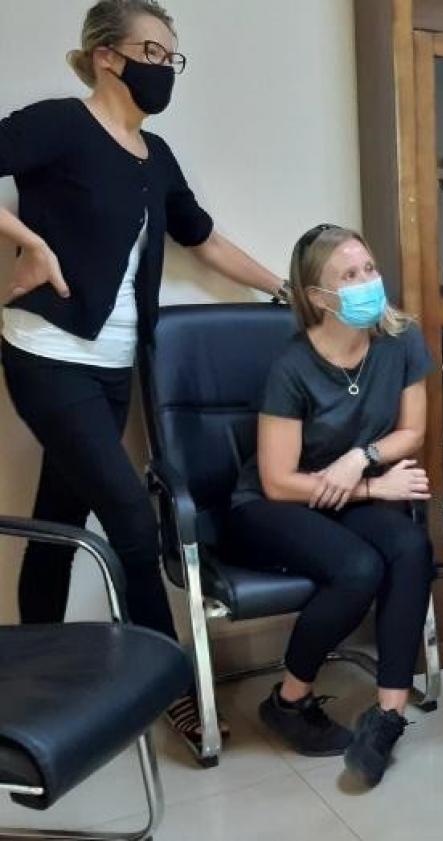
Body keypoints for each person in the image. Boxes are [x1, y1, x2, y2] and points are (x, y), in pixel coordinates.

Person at [0, 0, 286, 750]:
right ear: (106, 54)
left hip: (115, 364)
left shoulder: (155, 157)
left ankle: (35, 687)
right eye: (152, 52)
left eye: (171, 57)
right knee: (131, 519)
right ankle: (176, 688)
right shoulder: (59, 124)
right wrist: (26, 241)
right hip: (47, 351)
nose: (164, 68)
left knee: (59, 522)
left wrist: (283, 287)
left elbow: (204, 238)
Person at [224, 224, 434, 783]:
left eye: (370, 269)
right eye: (350, 275)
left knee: (411, 546)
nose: (368, 283)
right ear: (319, 297)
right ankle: (289, 701)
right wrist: (372, 486)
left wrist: (359, 459)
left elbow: (412, 431)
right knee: (358, 568)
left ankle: (388, 715)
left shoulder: (401, 338)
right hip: (270, 507)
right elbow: (277, 481)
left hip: (343, 491)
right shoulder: (293, 366)